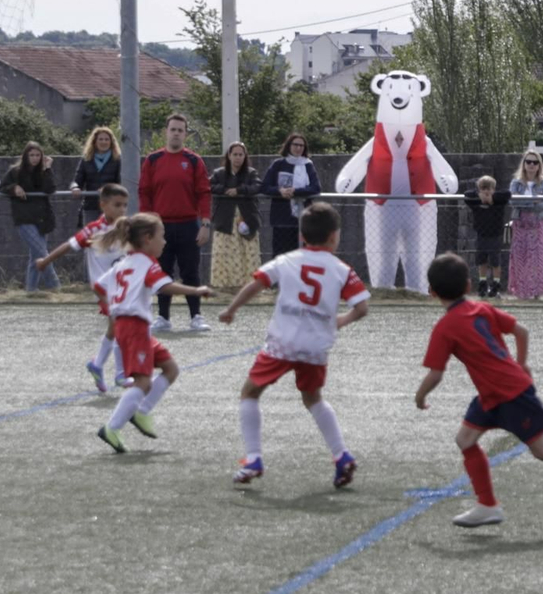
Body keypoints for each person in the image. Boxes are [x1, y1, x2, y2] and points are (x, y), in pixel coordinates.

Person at [415, 252, 543, 529]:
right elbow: (521, 330)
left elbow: (436, 374)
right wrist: (522, 364)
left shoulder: (444, 327)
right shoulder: (483, 309)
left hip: (510, 395)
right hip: (493, 394)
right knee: (465, 439)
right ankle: (487, 505)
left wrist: (420, 395)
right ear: (468, 286)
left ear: (431, 292)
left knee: (542, 450)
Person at [218, 202, 368, 488]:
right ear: (335, 236)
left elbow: (257, 283)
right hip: (315, 348)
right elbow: (361, 308)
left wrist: (232, 308)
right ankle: (341, 455)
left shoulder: (286, 260)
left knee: (250, 392)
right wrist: (339, 321)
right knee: (313, 399)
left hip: (282, 343)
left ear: (302, 236)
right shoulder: (341, 269)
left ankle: (253, 458)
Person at [91, 213, 212, 453]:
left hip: (136, 328)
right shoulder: (147, 263)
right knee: (143, 382)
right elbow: (164, 286)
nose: (165, 242)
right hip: (135, 328)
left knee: (170, 368)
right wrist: (196, 290)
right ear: (147, 239)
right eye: (162, 236)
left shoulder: (124, 263)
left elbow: (98, 286)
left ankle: (142, 412)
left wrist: (112, 307)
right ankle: (112, 428)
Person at [35, 183, 131, 393]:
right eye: (117, 205)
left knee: (115, 328)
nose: (122, 210)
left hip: (123, 287)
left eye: (125, 205)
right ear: (103, 205)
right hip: (102, 287)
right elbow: (69, 245)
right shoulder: (94, 229)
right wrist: (45, 261)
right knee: (121, 325)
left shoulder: (126, 228)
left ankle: (97, 364)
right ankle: (121, 374)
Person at [137, 113, 213, 332]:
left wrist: (205, 224)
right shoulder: (152, 160)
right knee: (163, 273)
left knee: (191, 272)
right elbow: (145, 193)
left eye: (181, 130)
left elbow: (204, 193)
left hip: (189, 224)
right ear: (166, 132)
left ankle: (196, 316)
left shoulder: (193, 160)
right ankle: (163, 317)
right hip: (160, 227)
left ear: (185, 134)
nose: (177, 133)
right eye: (173, 129)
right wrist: (148, 225)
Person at [2, 142, 60, 294]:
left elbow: (50, 189)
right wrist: (14, 187)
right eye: (31, 155)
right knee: (42, 252)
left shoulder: (44, 171)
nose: (34, 158)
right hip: (24, 217)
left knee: (35, 254)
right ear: (25, 156)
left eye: (37, 155)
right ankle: (55, 285)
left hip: (42, 218)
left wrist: (47, 169)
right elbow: (2, 187)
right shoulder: (15, 172)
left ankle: (31, 289)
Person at [210, 141, 262, 295]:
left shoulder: (251, 173)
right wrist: (225, 190)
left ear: (245, 156)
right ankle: (225, 286)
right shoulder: (219, 173)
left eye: (241, 154)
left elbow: (258, 187)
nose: (238, 158)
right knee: (224, 252)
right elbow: (208, 185)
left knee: (248, 251)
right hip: (225, 220)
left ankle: (249, 286)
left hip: (246, 219)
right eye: (235, 154)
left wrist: (239, 190)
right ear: (229, 156)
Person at [263, 131, 321, 257]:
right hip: (282, 219)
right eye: (295, 145)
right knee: (280, 256)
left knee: (303, 256)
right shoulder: (278, 164)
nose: (298, 148)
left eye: (301, 146)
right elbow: (265, 187)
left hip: (303, 219)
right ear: (288, 145)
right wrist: (280, 191)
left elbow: (316, 188)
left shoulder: (308, 165)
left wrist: (296, 192)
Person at [507, 152, 543, 299]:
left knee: (538, 258)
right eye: (529, 162)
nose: (531, 165)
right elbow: (513, 201)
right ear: (524, 164)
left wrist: (524, 202)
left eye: (535, 162)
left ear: (539, 165)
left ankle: (537, 292)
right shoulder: (516, 183)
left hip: (538, 224)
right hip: (520, 223)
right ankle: (521, 292)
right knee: (520, 256)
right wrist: (533, 201)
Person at [463, 175, 512, 297]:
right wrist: (480, 198)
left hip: (495, 236)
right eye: (483, 188)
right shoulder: (475, 201)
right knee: (481, 260)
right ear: (479, 189)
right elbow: (467, 194)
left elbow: (507, 193)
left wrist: (492, 199)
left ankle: (496, 285)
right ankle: (482, 283)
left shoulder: (499, 201)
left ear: (494, 189)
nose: (486, 191)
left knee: (495, 262)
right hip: (481, 235)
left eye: (489, 188)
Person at [70, 126, 121, 226]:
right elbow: (77, 180)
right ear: (94, 141)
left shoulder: (117, 160)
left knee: (109, 237)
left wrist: (107, 189)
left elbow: (121, 182)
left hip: (111, 206)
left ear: (111, 142)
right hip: (90, 205)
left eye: (106, 139)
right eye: (100, 139)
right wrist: (75, 187)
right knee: (91, 238)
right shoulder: (86, 160)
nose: (103, 142)